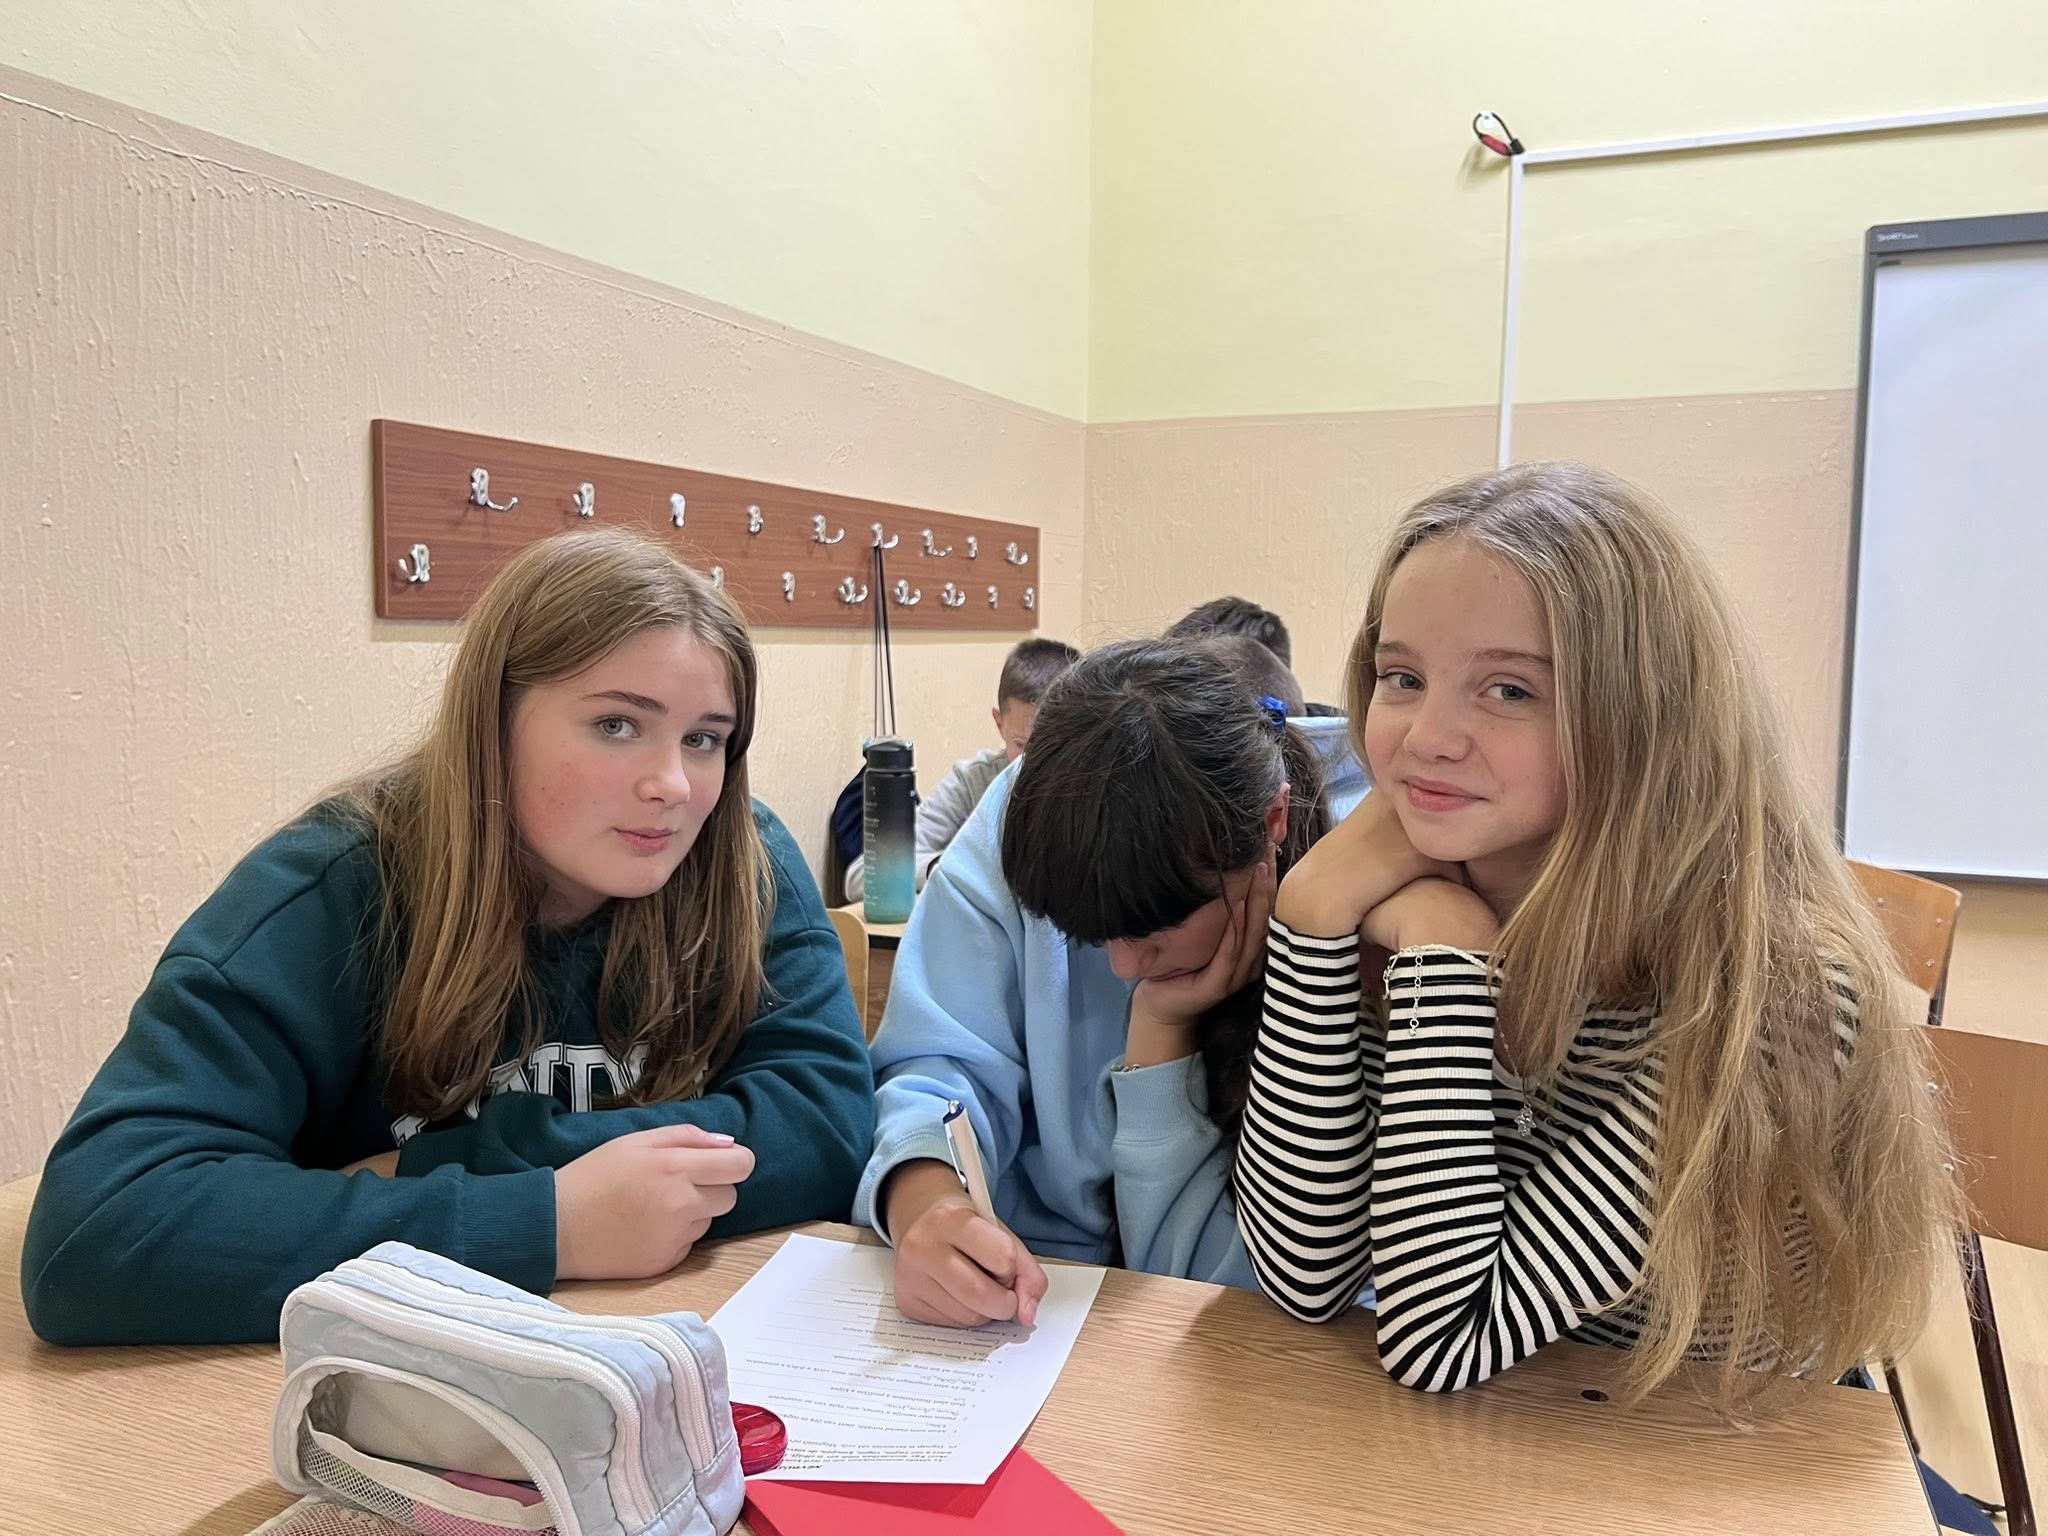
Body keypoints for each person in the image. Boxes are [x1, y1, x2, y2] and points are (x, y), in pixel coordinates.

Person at [23, 529, 875, 1345]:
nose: (674, 784)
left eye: (704, 739)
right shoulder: (333, 885)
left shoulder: (741, 859)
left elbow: (827, 1127)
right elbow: (100, 1230)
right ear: (492, 721)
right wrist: (550, 1222)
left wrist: (459, 1161)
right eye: (617, 725)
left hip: (655, 1339)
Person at [1234, 462, 1958, 1406]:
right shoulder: (1411, 895)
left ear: (1642, 720)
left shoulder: (1777, 990)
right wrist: (1309, 916)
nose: (1427, 736)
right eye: (1402, 677)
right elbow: (1304, 1273)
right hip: (1528, 1417)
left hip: (1718, 1440)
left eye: (1510, 691)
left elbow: (1437, 1340)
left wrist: (1446, 958)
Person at [852, 638, 1330, 1327]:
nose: (1124, 967)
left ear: (1271, 826)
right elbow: (937, 1070)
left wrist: (1160, 1034)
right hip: (1034, 1291)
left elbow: (1230, 1289)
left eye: (1155, 925)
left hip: (1222, 1324)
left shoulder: (1334, 921)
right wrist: (927, 1201)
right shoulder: (1029, 815)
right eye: (1088, 934)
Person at [843, 637, 1079, 902]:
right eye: (1021, 744)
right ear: (999, 723)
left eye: (1049, 746)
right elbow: (862, 877)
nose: (1033, 762)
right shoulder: (972, 782)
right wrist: (950, 869)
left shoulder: (1099, 786)